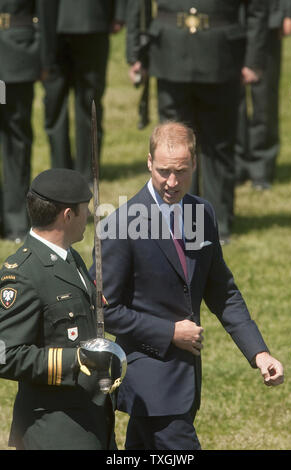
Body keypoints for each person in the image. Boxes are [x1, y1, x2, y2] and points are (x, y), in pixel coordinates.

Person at [90, 121, 284, 450]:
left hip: (185, 381)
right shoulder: (120, 226)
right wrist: (169, 332)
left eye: (181, 171)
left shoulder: (201, 212)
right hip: (151, 382)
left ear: (195, 163)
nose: (172, 182)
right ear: (149, 162)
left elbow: (222, 291)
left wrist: (259, 352)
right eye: (164, 171)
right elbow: (104, 311)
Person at [126, 0, 268, 244]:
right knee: (174, 148)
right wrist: (135, 52)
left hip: (221, 49)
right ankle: (182, 221)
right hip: (170, 47)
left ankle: (217, 220)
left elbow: (257, 7)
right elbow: (137, 5)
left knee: (218, 144)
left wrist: (253, 58)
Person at [0, 168, 116, 450]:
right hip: (55, 428)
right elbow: (5, 355)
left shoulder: (70, 257)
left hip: (90, 418)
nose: (88, 215)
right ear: (67, 216)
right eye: (84, 209)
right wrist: (75, 360)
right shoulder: (23, 274)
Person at [39, 0, 127, 183]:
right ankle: (81, 172)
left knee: (66, 103)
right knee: (77, 103)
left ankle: (66, 171)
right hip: (88, 17)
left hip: (61, 19)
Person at [235, 0, 291, 190]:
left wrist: (289, 13)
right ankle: (236, 163)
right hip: (229, 18)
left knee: (264, 98)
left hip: (269, 19)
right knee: (230, 97)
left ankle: (261, 166)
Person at [0, 0, 41, 242]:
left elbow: (45, 12)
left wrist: (44, 57)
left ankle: (15, 219)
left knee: (16, 137)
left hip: (16, 57)